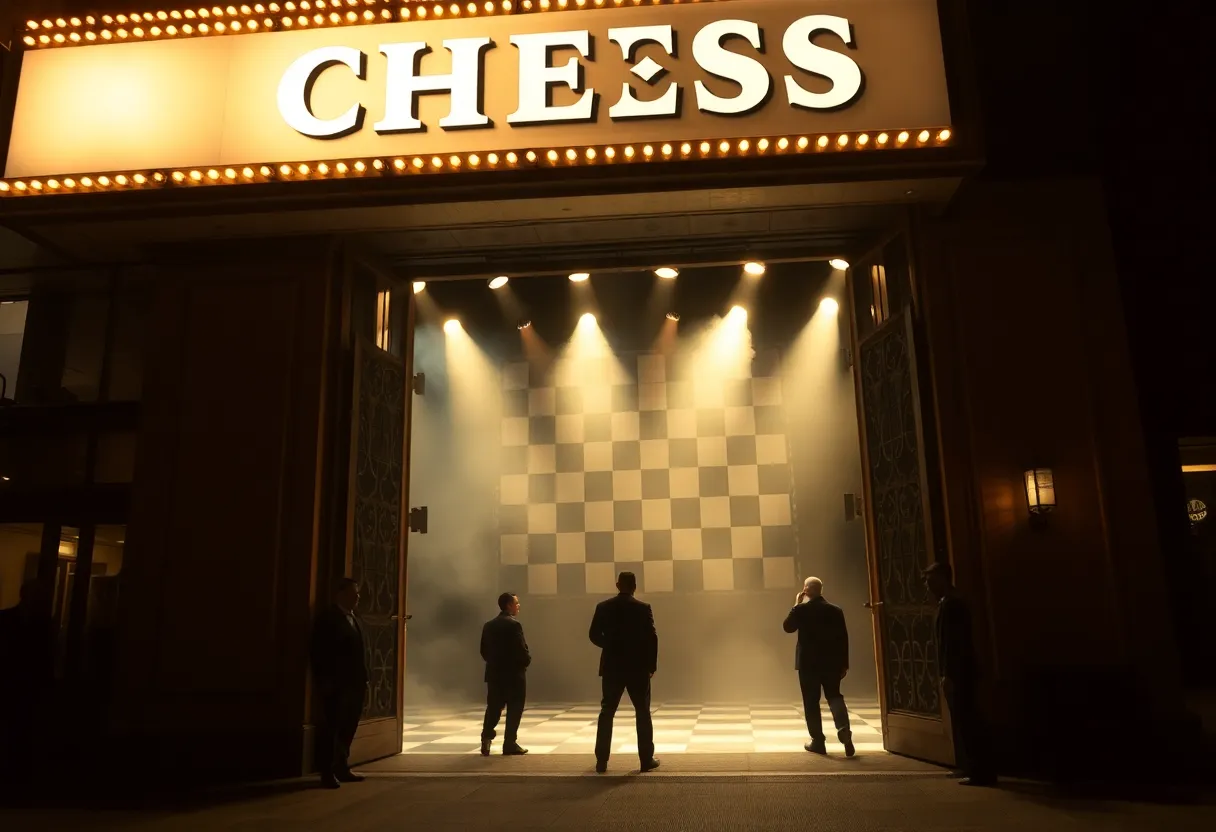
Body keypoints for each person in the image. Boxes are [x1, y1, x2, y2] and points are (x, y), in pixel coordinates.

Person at [923, 562, 996, 786]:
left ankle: (980, 771)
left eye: (930, 581)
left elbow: (954, 644)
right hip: (960, 671)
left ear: (943, 579)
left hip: (959, 672)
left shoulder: (952, 605)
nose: (927, 586)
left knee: (968, 720)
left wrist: (949, 674)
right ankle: (970, 767)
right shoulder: (950, 602)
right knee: (963, 720)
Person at [588, 571, 660, 774]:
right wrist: (651, 666)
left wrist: (610, 646)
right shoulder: (643, 608)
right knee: (642, 712)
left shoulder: (603, 607)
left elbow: (593, 635)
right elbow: (652, 638)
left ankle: (602, 761)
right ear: (635, 586)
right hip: (637, 667)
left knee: (607, 712)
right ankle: (646, 760)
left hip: (612, 666)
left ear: (617, 585)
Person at [783, 576, 854, 756]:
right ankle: (844, 729)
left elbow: (787, 627)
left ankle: (818, 741)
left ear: (806, 590)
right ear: (821, 590)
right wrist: (844, 664)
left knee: (811, 701)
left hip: (808, 664)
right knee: (834, 696)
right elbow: (843, 639)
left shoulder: (802, 610)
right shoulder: (835, 611)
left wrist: (796, 604)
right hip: (831, 662)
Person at [310, 577, 369, 789]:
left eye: (358, 593)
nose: (358, 597)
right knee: (332, 727)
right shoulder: (328, 619)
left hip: (354, 683)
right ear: (341, 594)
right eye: (354, 593)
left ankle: (342, 766)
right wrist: (325, 681)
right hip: (336, 683)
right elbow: (319, 653)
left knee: (348, 726)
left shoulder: (355, 619)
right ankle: (327, 771)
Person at [480, 592, 531, 756]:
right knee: (515, 708)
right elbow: (521, 649)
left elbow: (484, 651)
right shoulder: (514, 625)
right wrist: (526, 661)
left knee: (494, 707)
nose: (518, 606)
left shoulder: (488, 625)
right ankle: (509, 743)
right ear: (509, 605)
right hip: (514, 674)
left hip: (494, 674)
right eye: (516, 603)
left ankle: (486, 738)